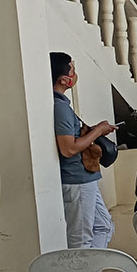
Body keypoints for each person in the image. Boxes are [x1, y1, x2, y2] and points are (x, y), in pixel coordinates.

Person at [51, 52, 116, 249]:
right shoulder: (59, 107)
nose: (75, 74)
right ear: (64, 79)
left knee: (104, 226)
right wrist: (98, 131)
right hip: (76, 180)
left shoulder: (62, 104)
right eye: (72, 69)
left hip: (86, 177)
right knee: (80, 239)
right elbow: (68, 148)